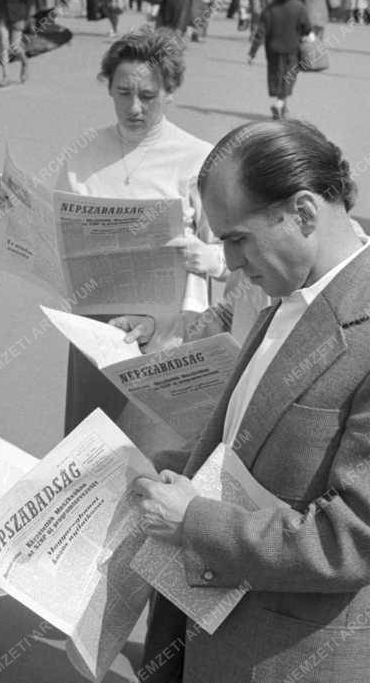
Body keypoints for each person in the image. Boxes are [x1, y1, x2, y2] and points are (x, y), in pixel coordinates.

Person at [138, 119, 370, 683]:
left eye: (237, 239)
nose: (232, 263)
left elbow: (352, 539)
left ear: (305, 213)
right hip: (212, 634)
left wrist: (195, 519)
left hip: (286, 655)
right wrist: (166, 470)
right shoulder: (291, 291)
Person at [0, 28, 225, 459]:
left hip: (169, 334)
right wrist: (17, 211)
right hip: (96, 328)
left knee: (155, 456)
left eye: (148, 95)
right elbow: (59, 236)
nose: (135, 108)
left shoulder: (198, 158)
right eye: (123, 93)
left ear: (170, 92)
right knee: (90, 451)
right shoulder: (84, 154)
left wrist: (207, 257)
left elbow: (230, 252)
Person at [248, 0, 311, 120]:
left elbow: (260, 33)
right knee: (289, 77)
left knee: (278, 77)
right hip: (292, 50)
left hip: (273, 50)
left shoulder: (269, 9)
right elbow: (307, 28)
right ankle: (279, 104)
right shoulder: (299, 7)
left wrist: (252, 52)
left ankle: (283, 107)